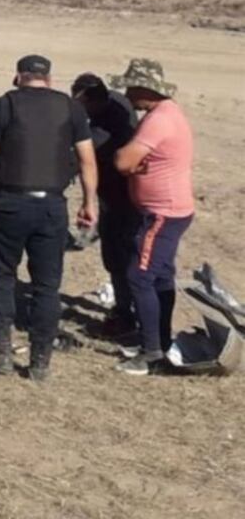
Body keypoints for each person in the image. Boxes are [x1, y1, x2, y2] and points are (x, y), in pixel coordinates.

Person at [0, 55, 97, 381]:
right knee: (47, 286)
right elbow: (87, 160)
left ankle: (1, 352)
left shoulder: (3, 105)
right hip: (52, 207)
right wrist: (89, 203)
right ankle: (40, 363)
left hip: (11, 203)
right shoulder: (71, 109)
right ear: (50, 80)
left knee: (0, 277)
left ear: (18, 77)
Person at [110, 59, 194, 376]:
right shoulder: (168, 113)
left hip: (161, 212)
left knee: (139, 277)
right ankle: (156, 336)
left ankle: (151, 352)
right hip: (171, 210)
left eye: (132, 88)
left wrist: (131, 164)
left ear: (147, 90)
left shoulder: (158, 121)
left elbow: (122, 160)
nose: (129, 94)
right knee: (159, 278)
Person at [71, 73, 138, 337]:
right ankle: (126, 310)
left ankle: (127, 315)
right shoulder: (116, 101)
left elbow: (80, 152)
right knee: (119, 259)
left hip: (120, 199)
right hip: (116, 196)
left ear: (90, 101)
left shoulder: (104, 128)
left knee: (120, 258)